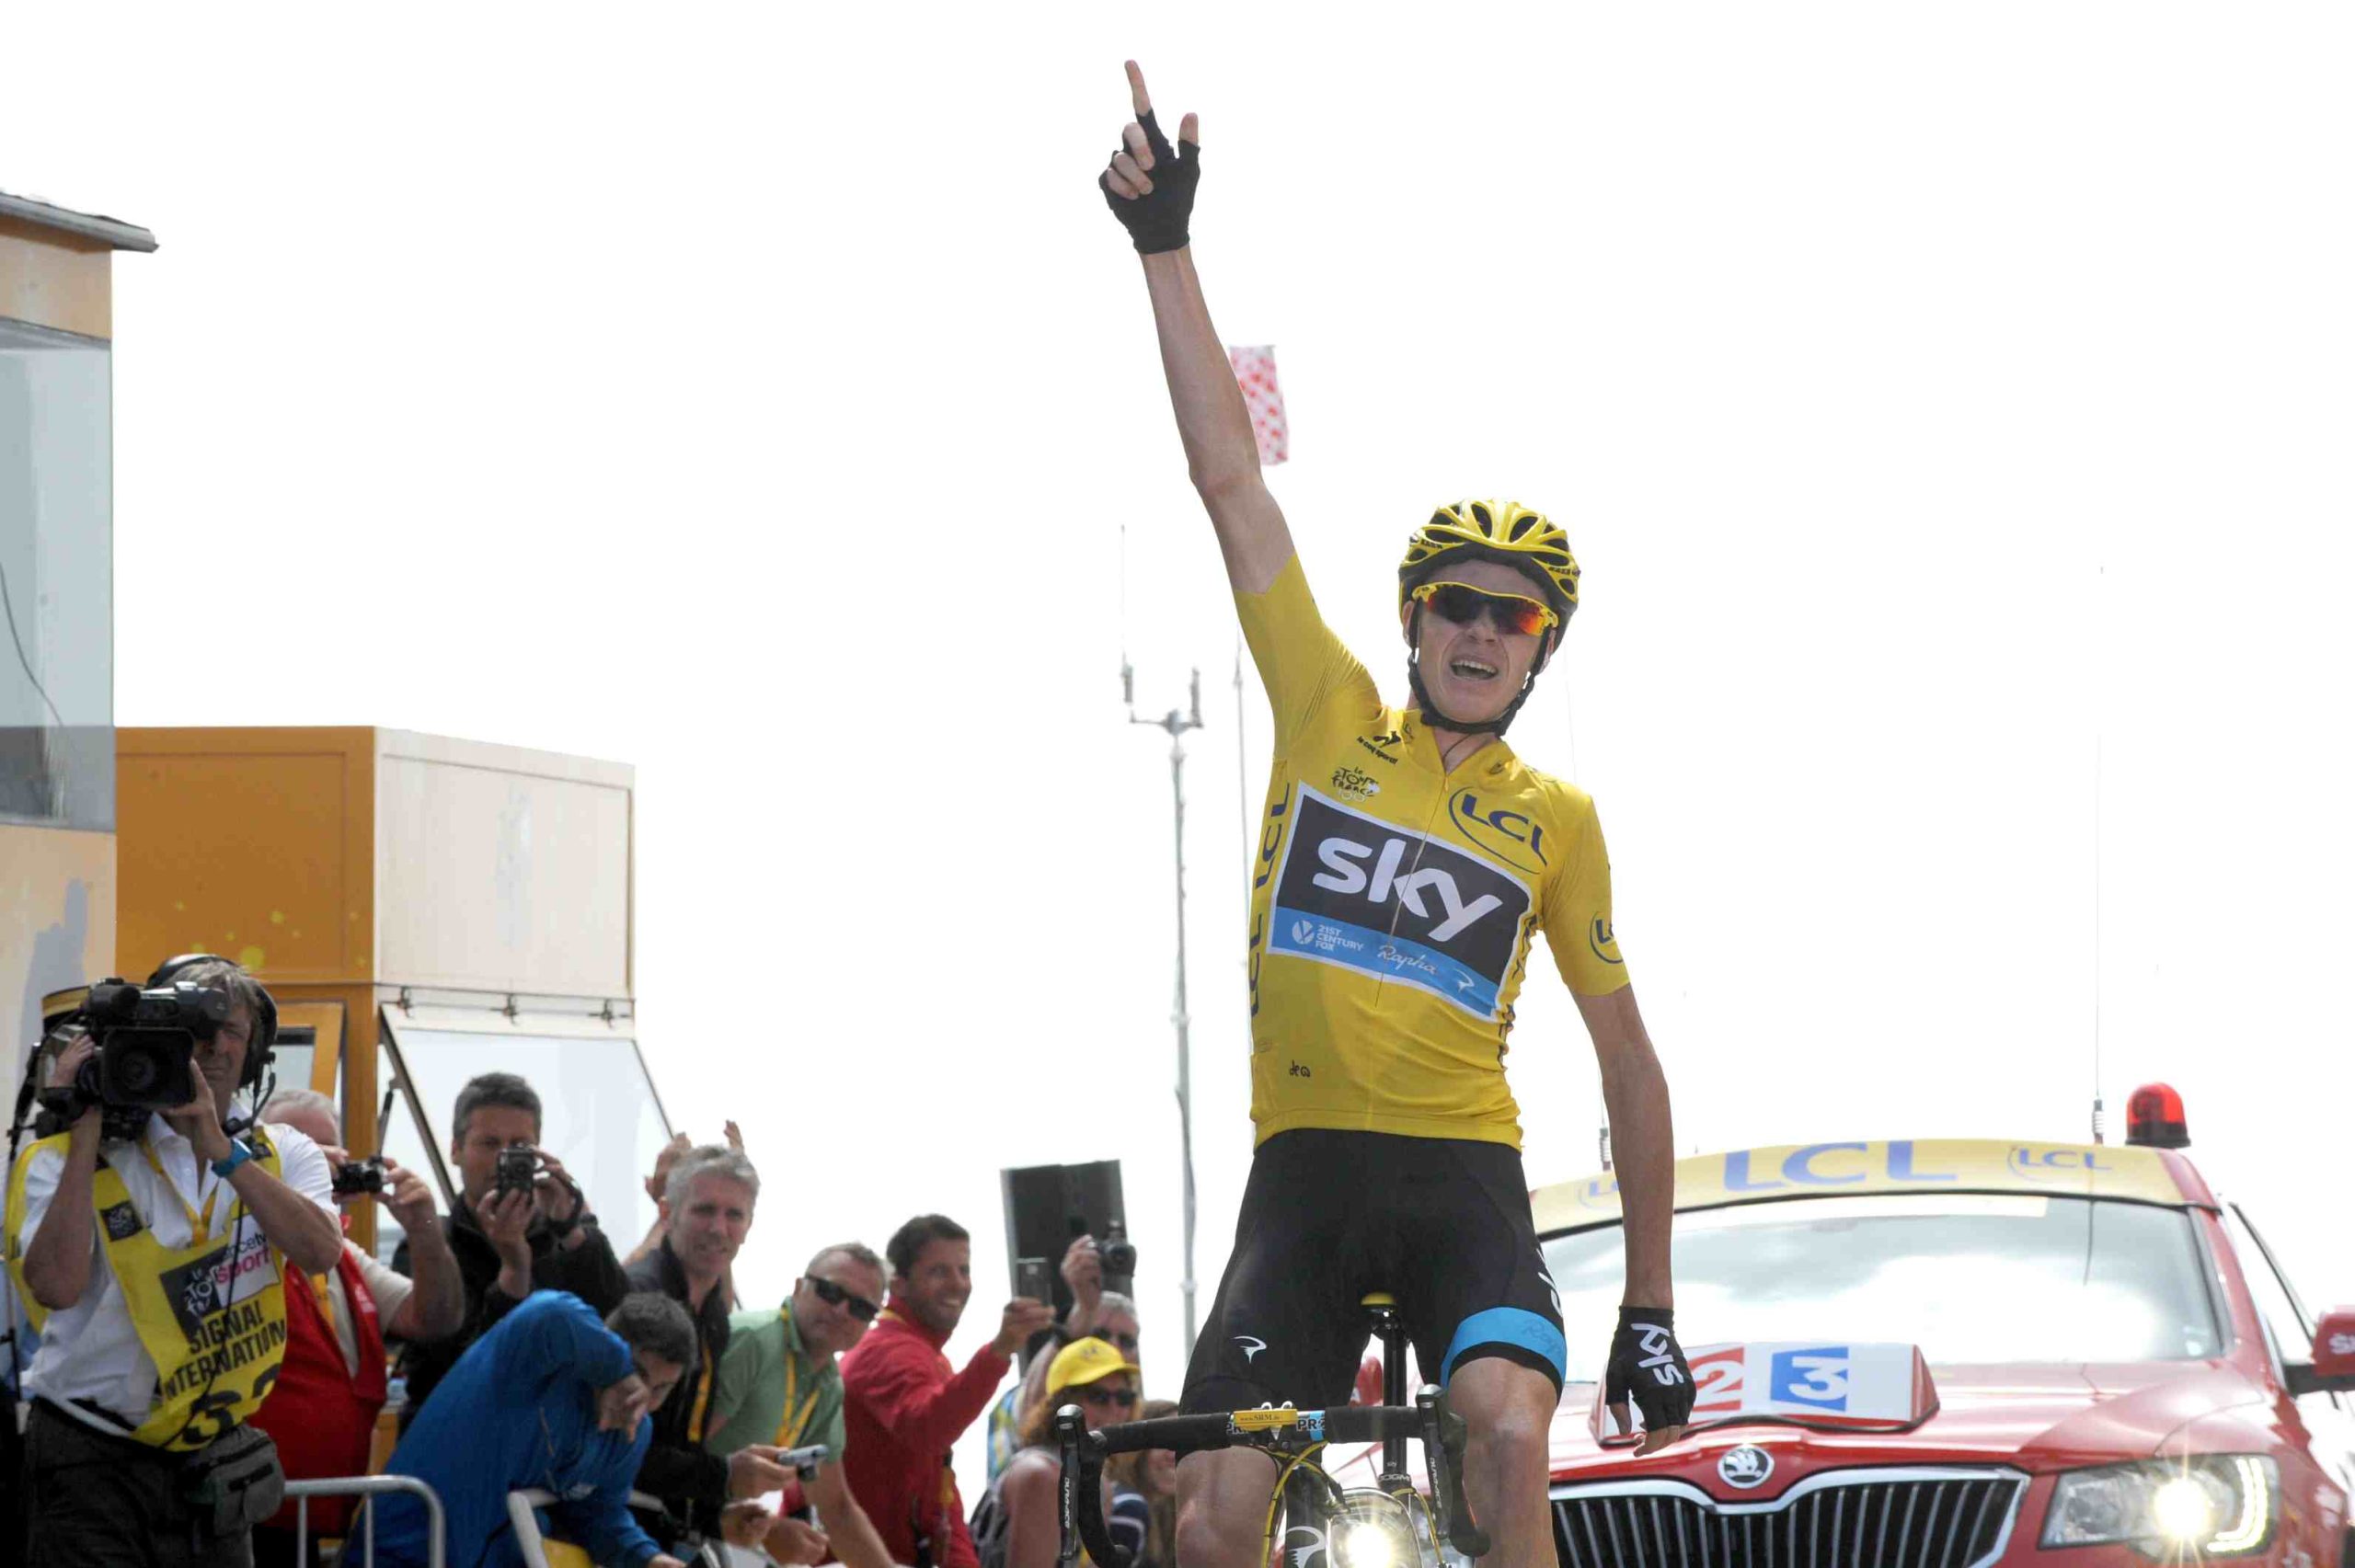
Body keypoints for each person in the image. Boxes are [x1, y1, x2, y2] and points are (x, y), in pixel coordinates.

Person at [1096, 62, 1695, 1568]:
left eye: (1515, 619)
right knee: (1211, 1513)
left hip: (1462, 1187)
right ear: (1415, 619)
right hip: (1300, 1187)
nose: (1483, 634)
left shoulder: (1555, 816)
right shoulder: (1326, 711)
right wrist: (1166, 248)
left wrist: (1653, 1312)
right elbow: (1228, 479)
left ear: (1541, 650)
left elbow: (1630, 1067)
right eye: (1458, 607)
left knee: (1504, 1437)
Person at [6, 956, 345, 1567]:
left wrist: (219, 1147)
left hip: (210, 1457)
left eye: (232, 1032)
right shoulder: (66, 1158)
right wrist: (85, 1127)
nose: (212, 1048)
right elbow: (56, 1285)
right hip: (91, 1456)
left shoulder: (281, 1152)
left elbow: (321, 1251)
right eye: (190, 1032)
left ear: (256, 1053)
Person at [368, 1290, 752, 1568]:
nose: (643, 1400)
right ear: (606, 1342)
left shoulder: (634, 1434)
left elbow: (599, 1516)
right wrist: (617, 1372)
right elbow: (549, 1310)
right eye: (638, 1374)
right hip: (399, 1550)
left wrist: (647, 1558)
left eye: (662, 1389)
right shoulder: (533, 1363)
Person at [247, 1087, 464, 1566]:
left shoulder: (345, 1258)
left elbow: (434, 1318)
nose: (315, 1161)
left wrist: (424, 1229)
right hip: (254, 1514)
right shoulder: (239, 1249)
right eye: (299, 1146)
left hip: (323, 1512)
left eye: (328, 1150)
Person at [392, 1071, 630, 1430]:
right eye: (489, 1144)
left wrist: (573, 1231)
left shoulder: (565, 1239)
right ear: (456, 1151)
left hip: (550, 1446)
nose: (503, 1160)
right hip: (458, 1442)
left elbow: (623, 1327)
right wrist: (513, 1272)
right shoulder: (427, 1248)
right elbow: (457, 1371)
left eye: (519, 1146)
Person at [841, 1214, 1055, 1568]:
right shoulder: (886, 1352)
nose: (958, 1284)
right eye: (939, 1272)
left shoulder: (921, 1353)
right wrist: (1000, 1350)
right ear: (899, 1283)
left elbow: (937, 1492)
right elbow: (928, 1428)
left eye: (964, 1270)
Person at [624, 1143, 787, 1547]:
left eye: (734, 1215)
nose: (718, 1228)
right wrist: (725, 1477)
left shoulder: (713, 1316)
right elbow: (619, 1446)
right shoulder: (645, 1297)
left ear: (749, 1226)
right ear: (667, 1213)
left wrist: (716, 1517)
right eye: (704, 1210)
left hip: (653, 1527)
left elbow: (678, 1445)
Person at [704, 1242, 899, 1568]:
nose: (841, 1312)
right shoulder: (754, 1341)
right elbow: (672, 1459)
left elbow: (836, 1509)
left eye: (861, 1309)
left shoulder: (827, 1383)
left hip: (713, 1535)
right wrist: (765, 1534)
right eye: (830, 1292)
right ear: (798, 1287)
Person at [971, 1337, 1141, 1568]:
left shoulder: (1100, 1486)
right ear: (1063, 1404)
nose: (1115, 1409)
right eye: (1097, 1396)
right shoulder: (1042, 1476)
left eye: (1124, 1398)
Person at [1103, 1399, 1179, 1568]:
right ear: (1136, 1447)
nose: (1174, 1454)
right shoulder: (1128, 1509)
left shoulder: (1171, 1514)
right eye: (1163, 1441)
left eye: (1184, 1443)